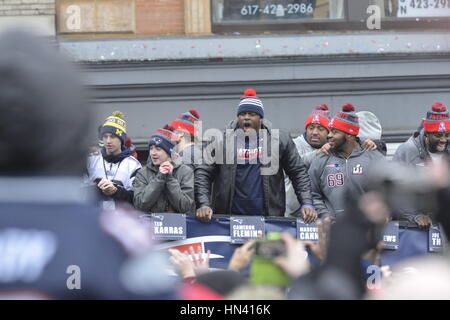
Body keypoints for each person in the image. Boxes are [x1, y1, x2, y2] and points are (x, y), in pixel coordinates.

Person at [0, 30, 175, 299]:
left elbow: (137, 198)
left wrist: (116, 192)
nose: (106, 141)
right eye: (103, 136)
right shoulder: (117, 246)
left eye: (111, 137)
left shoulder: (130, 166)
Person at [195, 89, 316, 223]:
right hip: (227, 219)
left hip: (268, 218)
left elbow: (298, 172)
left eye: (251, 114)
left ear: (260, 118)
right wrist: (204, 204)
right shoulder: (220, 140)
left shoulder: (279, 139)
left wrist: (307, 203)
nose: (246, 117)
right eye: (242, 114)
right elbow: (203, 173)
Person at [308, 103, 386, 218]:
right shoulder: (322, 158)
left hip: (367, 228)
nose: (329, 135)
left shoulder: (374, 158)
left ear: (349, 136)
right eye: (330, 131)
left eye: (335, 132)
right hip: (332, 228)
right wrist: (324, 214)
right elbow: (312, 194)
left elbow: (388, 193)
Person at [392, 102, 450, 228]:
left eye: (447, 135)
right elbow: (395, 191)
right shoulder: (406, 151)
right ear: (427, 134)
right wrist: (415, 216)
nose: (444, 140)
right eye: (438, 135)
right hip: (415, 229)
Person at [133, 125, 194, 214]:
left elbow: (185, 206)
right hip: (149, 226)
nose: (153, 153)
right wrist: (160, 178)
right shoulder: (142, 173)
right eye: (151, 148)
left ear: (169, 152)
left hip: (177, 226)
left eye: (158, 149)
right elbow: (140, 204)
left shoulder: (185, 172)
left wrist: (170, 178)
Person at [85, 111, 142, 208]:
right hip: (93, 218)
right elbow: (78, 192)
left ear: (121, 139)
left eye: (112, 137)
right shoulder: (91, 161)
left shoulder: (133, 165)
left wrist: (116, 191)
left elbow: (137, 200)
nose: (108, 141)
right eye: (105, 137)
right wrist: (99, 189)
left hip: (121, 220)